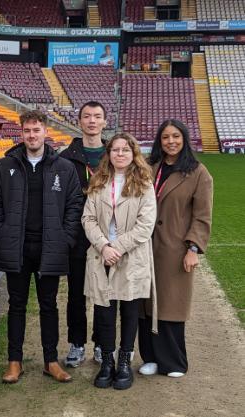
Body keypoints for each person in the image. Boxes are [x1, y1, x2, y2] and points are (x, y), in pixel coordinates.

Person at [0, 110, 83, 384]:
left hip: (49, 248)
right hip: (16, 247)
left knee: (48, 305)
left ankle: (50, 361)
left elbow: (75, 203)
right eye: (27, 130)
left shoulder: (63, 168)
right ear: (22, 133)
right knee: (16, 305)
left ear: (45, 133)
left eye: (36, 130)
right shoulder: (6, 166)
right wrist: (1, 233)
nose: (32, 135)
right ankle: (14, 362)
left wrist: (65, 238)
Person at [138, 120, 213, 378]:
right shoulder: (150, 168)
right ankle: (150, 357)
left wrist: (193, 248)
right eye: (166, 137)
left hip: (175, 248)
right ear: (160, 140)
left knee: (171, 304)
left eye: (176, 136)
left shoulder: (198, 173)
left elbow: (202, 216)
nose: (171, 141)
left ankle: (174, 362)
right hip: (146, 247)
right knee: (145, 305)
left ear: (184, 139)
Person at [82, 132, 156, 390]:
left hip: (130, 256)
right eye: (115, 150)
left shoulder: (144, 183)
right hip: (102, 255)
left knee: (129, 310)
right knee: (103, 311)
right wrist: (104, 246)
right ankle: (107, 362)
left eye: (125, 149)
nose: (120, 154)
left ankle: (124, 361)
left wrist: (118, 247)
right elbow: (88, 219)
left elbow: (145, 225)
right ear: (109, 154)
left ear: (133, 153)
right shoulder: (99, 181)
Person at [60, 101, 108, 367]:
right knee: (76, 293)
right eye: (87, 116)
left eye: (97, 116)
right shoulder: (66, 157)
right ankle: (77, 343)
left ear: (104, 121)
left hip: (105, 237)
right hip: (77, 237)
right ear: (79, 122)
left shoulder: (115, 154)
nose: (92, 121)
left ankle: (101, 343)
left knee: (104, 292)